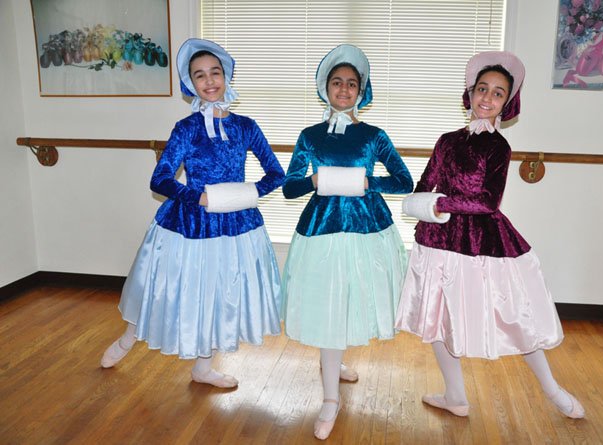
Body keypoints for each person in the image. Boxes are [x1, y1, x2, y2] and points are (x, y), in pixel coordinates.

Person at [395, 51, 585, 419]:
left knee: (515, 317)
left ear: (507, 103)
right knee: (436, 321)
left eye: (497, 93)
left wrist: (441, 204)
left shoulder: (498, 146)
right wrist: (420, 204)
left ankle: (553, 390)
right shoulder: (447, 140)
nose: (487, 97)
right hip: (437, 242)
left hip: (483, 244)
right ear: (470, 92)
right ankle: (455, 396)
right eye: (482, 88)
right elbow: (424, 182)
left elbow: (487, 202)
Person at [100, 38, 285, 388]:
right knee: (160, 287)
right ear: (191, 84)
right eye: (200, 75)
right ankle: (128, 340)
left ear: (226, 76)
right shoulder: (187, 128)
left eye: (215, 72)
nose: (210, 80)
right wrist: (196, 198)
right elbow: (161, 178)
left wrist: (246, 193)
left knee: (218, 295)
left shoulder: (246, 126)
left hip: (236, 223)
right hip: (188, 221)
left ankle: (203, 367)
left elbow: (276, 173)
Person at [281, 44, 413, 440]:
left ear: (361, 91)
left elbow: (404, 181)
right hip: (321, 229)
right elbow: (289, 188)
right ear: (325, 88)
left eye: (351, 83)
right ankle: (329, 399)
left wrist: (366, 183)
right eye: (336, 82)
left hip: (367, 228)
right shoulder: (309, 135)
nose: (343, 89)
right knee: (327, 304)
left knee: (351, 297)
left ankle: (334, 363)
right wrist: (314, 181)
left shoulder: (374, 136)